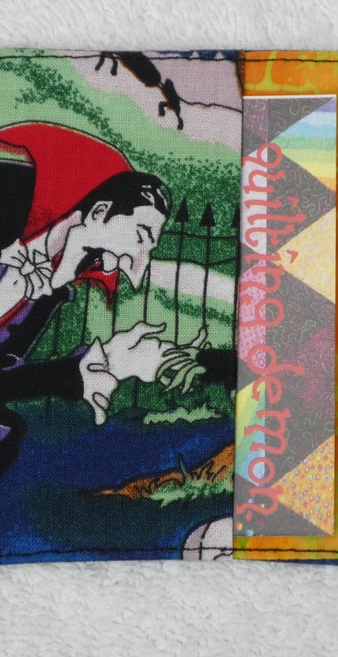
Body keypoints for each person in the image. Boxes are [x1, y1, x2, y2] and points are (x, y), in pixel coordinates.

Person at [0, 122, 205, 473]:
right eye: (141, 235)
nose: (136, 265)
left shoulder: (47, 292)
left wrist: (91, 368)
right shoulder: (11, 221)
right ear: (98, 213)